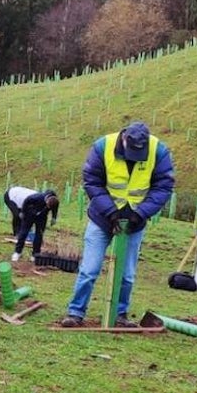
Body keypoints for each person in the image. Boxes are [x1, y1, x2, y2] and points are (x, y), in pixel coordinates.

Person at [59, 121, 175, 328]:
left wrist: (140, 214)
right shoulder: (103, 146)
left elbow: (163, 187)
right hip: (102, 218)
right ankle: (75, 312)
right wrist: (111, 211)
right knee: (89, 269)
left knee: (127, 273)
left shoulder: (159, 151)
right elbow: (92, 181)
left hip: (134, 222)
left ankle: (120, 315)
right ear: (124, 139)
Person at [3, 186, 60, 263]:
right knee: (24, 232)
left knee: (39, 234)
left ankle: (35, 254)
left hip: (42, 216)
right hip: (30, 213)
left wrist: (54, 217)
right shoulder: (37, 197)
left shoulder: (55, 201)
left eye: (49, 208)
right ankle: (17, 252)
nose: (47, 207)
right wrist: (23, 212)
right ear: (47, 200)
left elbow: (55, 209)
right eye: (47, 205)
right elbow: (26, 201)